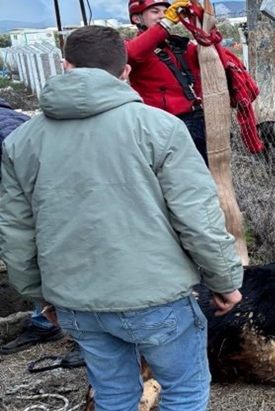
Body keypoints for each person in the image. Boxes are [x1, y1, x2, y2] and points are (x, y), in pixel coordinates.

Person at [0, 25, 243, 410]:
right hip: (157, 297)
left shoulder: (21, 141)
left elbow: (16, 230)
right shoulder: (160, 127)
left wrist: (40, 294)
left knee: (113, 396)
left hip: (77, 301)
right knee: (184, 391)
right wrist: (225, 280)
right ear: (126, 70)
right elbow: (197, 218)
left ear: (66, 66)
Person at [0, 98, 84, 366]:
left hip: (45, 206)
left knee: (58, 263)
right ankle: (45, 323)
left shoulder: (9, 129)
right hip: (28, 204)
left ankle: (88, 337)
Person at [125, 0, 208, 164]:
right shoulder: (133, 47)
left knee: (202, 177)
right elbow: (132, 55)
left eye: (166, 11)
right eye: (155, 12)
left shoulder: (178, 46)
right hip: (162, 126)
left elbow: (207, 55)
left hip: (195, 121)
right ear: (137, 19)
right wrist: (166, 24)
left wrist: (200, 21)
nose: (162, 15)